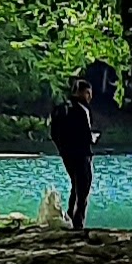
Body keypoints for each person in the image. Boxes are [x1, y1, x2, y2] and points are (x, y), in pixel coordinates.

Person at [49, 76, 96, 235]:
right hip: (81, 154)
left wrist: (62, 148)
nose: (90, 97)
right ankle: (77, 224)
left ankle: (70, 219)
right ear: (82, 93)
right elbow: (85, 134)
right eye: (88, 93)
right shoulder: (82, 110)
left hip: (67, 154)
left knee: (76, 187)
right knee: (83, 188)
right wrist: (91, 140)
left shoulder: (61, 109)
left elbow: (54, 132)